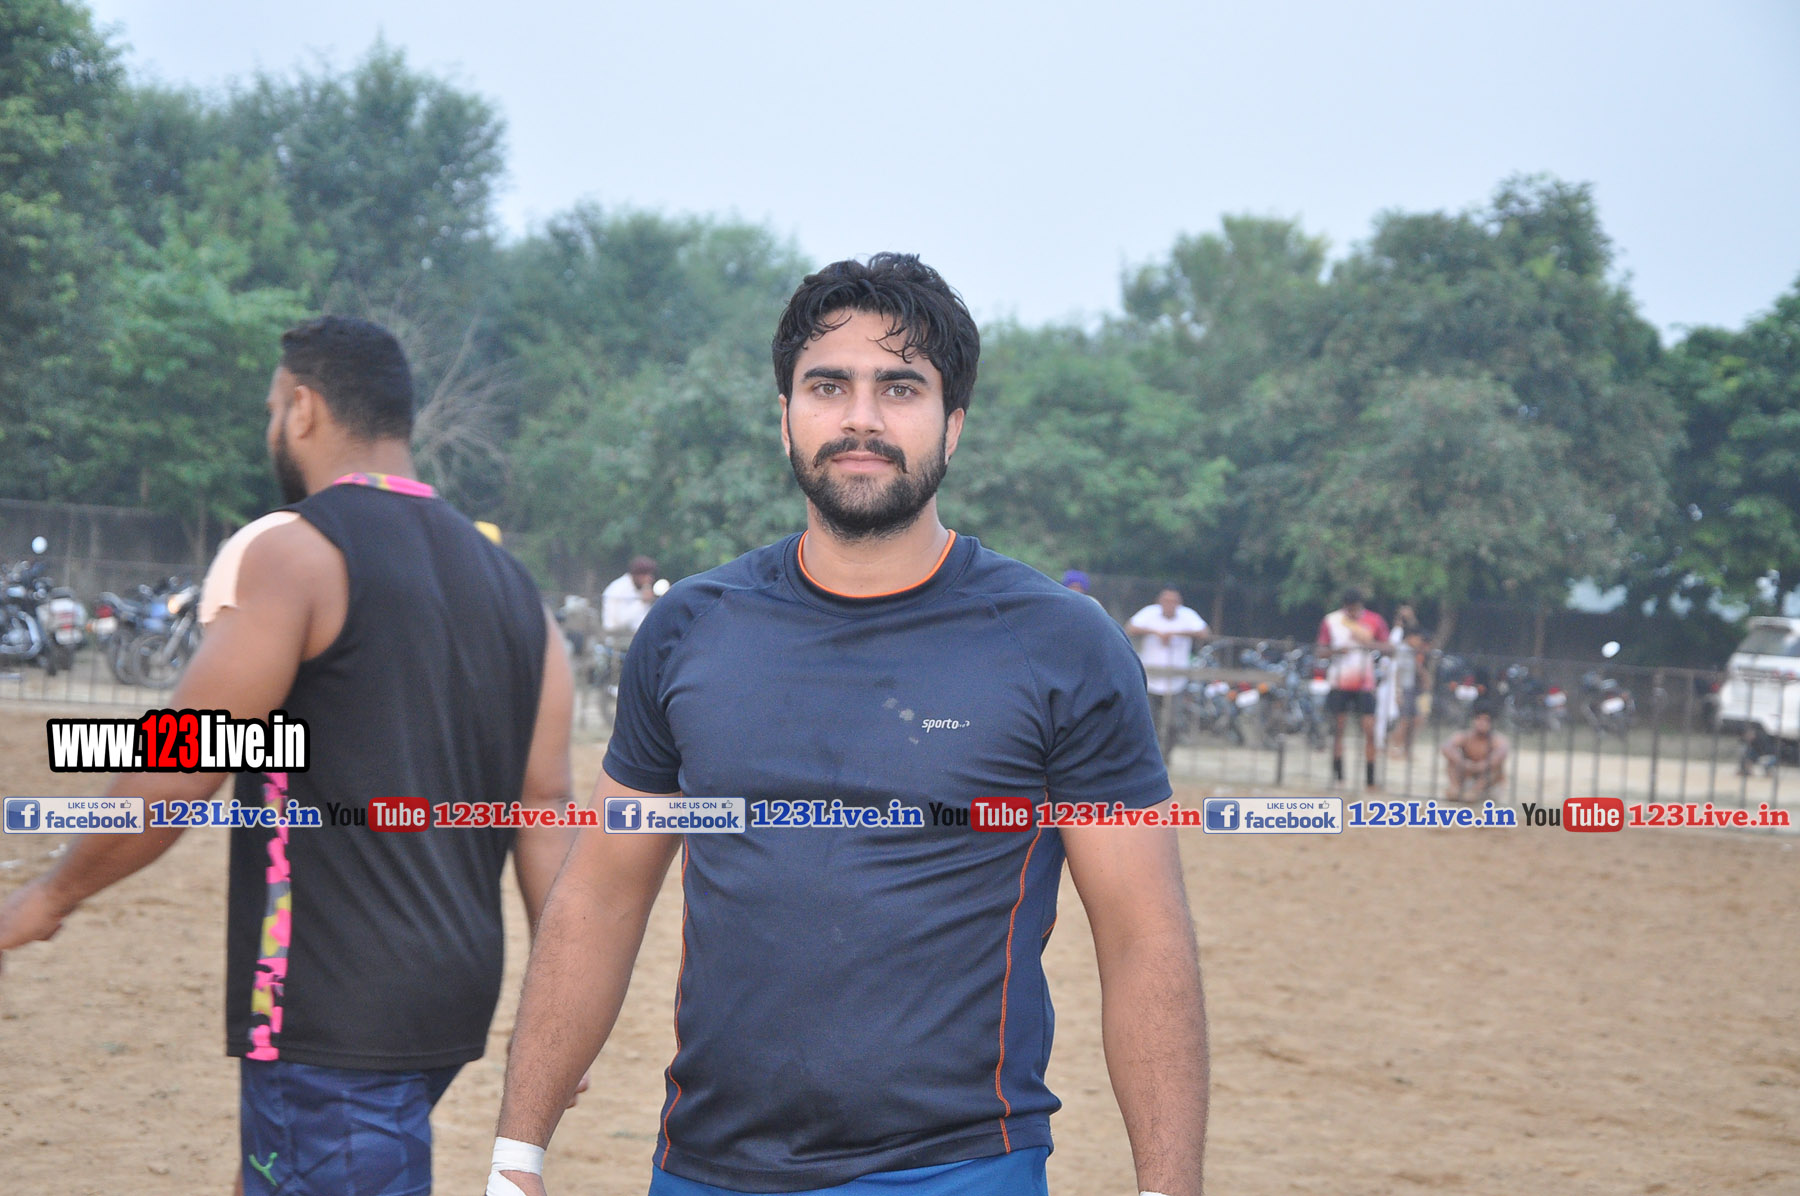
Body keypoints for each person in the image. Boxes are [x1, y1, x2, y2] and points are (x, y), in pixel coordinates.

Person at [490, 255, 1207, 1196]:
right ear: (784, 414)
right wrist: (516, 1156)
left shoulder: (1061, 644)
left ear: (954, 424)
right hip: (705, 1166)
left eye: (900, 388)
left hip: (958, 1168)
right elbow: (600, 897)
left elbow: (1144, 937)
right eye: (828, 386)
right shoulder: (690, 627)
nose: (860, 417)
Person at [0, 316, 579, 1196]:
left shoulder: (295, 554)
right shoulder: (516, 593)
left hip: (327, 1004)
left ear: (303, 410)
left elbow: (174, 764)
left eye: (274, 408)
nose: (272, 425)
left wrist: (49, 896)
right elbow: (543, 814)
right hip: (451, 997)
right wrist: (561, 1006)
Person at [1127, 586, 1212, 760]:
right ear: (1159, 601)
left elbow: (1205, 632)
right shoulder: (1149, 613)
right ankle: (1147, 756)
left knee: (1174, 722)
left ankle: (1165, 755)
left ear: (1179, 603)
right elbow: (1130, 628)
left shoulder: (1187, 615)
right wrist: (1156, 632)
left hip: (1176, 680)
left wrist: (1175, 633)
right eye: (1166, 601)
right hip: (1150, 678)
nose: (1169, 604)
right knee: (1148, 721)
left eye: (1173, 601)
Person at [1318, 587, 1390, 788]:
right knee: (1338, 729)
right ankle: (1339, 777)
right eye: (1349, 609)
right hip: (1339, 681)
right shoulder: (1332, 620)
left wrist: (1368, 644)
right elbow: (1320, 650)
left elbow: (1389, 648)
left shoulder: (1374, 620)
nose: (1352, 613)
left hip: (1365, 682)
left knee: (1369, 730)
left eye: (1355, 609)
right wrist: (1336, 651)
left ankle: (1370, 780)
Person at [1382, 604, 1428, 757]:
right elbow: (1396, 671)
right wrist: (1398, 692)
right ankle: (1395, 747)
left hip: (1412, 687)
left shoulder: (1412, 651)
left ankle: (1406, 748)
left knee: (1417, 718)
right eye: (1418, 638)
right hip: (1404, 688)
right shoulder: (1401, 649)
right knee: (1404, 720)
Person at [1442, 701, 1511, 801]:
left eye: (1486, 720)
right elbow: (1446, 747)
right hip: (1467, 776)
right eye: (1478, 719)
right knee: (1452, 759)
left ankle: (1474, 792)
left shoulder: (1497, 739)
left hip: (1488, 784)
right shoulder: (1465, 735)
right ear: (1473, 720)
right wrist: (1463, 762)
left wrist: (1482, 765)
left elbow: (1502, 753)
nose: (1481, 723)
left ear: (1491, 723)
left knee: (1496, 767)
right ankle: (1455, 788)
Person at [602, 555, 660, 636]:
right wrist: (641, 603)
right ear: (637, 575)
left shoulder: (642, 589)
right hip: (617, 637)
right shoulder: (617, 589)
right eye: (647, 575)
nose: (650, 579)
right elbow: (614, 624)